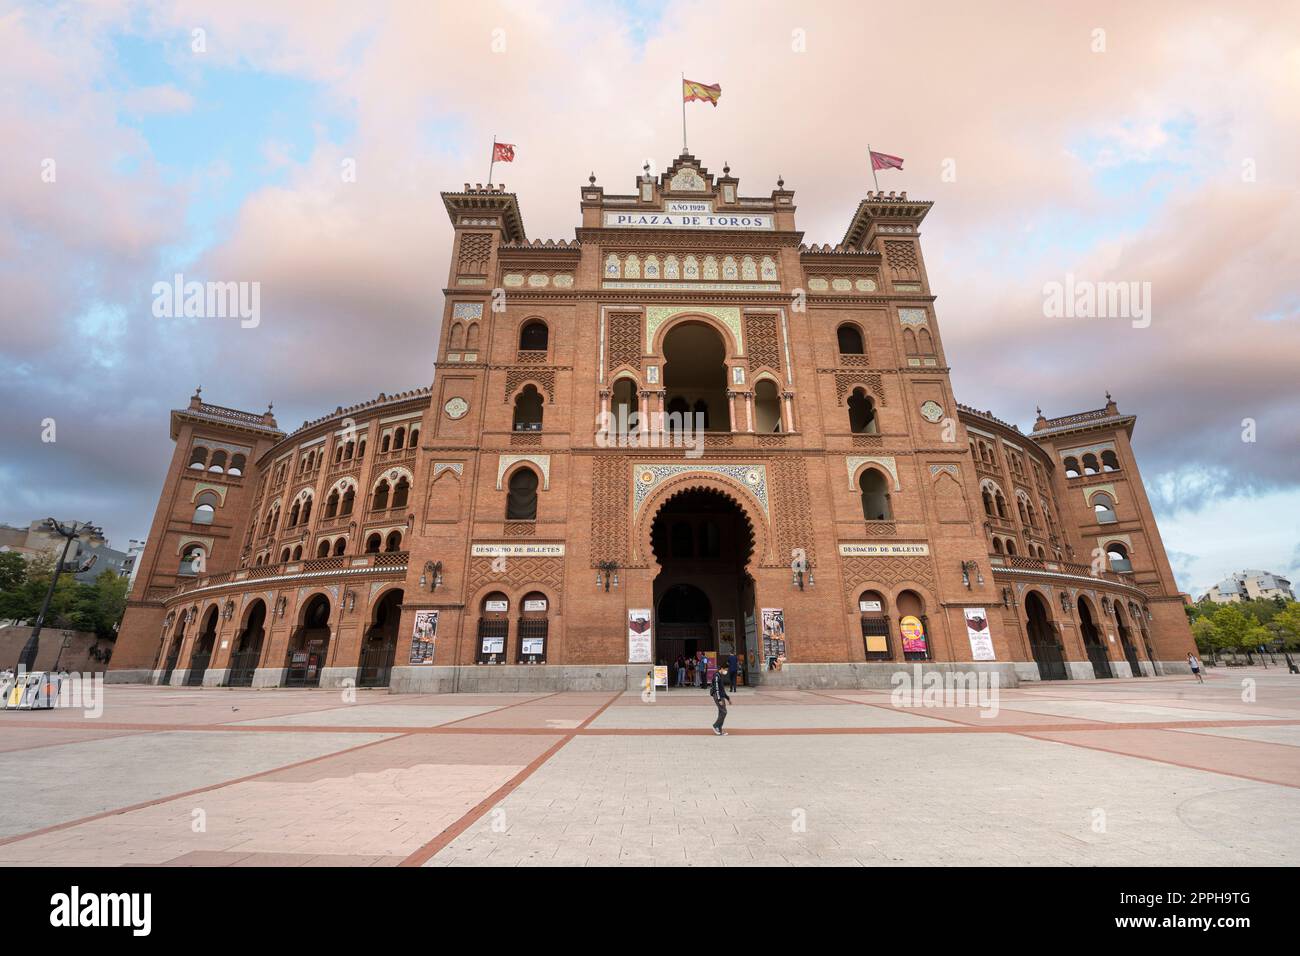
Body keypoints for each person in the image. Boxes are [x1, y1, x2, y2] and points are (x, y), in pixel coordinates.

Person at [710, 663, 732, 735]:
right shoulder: (716, 676)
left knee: (721, 712)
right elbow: (717, 689)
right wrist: (719, 699)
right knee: (724, 712)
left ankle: (719, 729)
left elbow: (722, 689)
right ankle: (715, 726)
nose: (726, 671)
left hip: (721, 696)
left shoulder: (720, 676)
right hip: (718, 696)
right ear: (722, 668)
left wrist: (727, 698)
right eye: (725, 669)